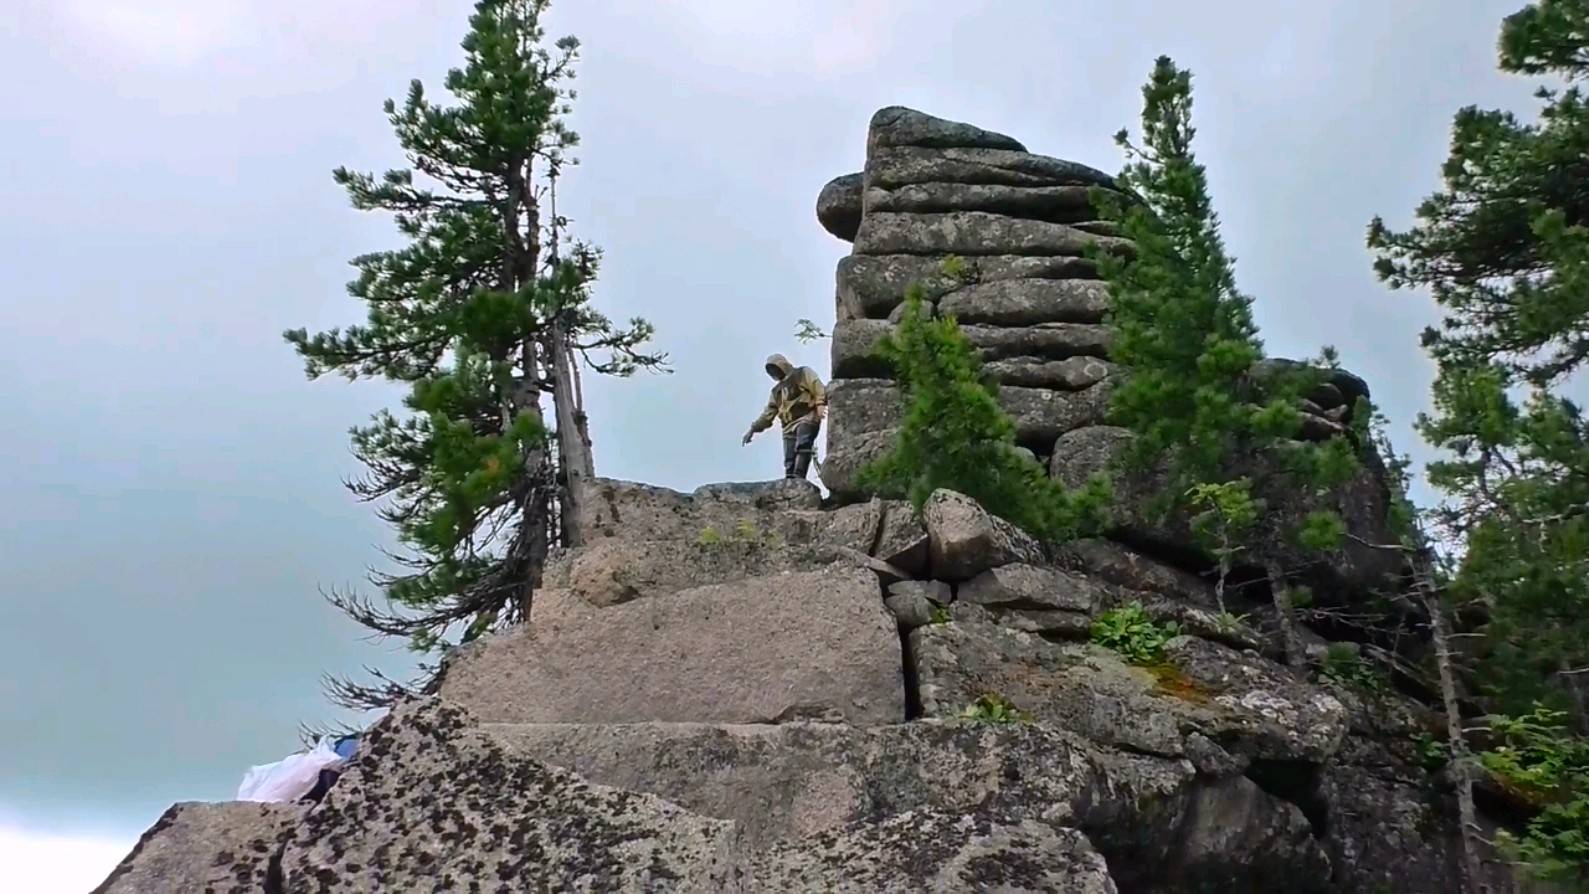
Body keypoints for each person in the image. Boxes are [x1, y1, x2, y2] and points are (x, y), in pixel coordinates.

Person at [743, 353, 826, 480]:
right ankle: (790, 482)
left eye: (775, 369)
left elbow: (817, 386)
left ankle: (799, 477)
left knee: (803, 445)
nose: (774, 373)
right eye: (771, 372)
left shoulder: (802, 373)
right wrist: (753, 429)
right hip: (788, 425)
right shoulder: (776, 392)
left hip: (806, 416)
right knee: (789, 458)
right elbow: (768, 414)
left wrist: (820, 403)